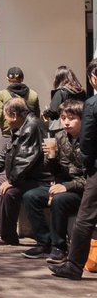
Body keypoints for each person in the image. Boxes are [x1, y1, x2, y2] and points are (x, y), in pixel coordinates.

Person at [20, 99, 85, 262]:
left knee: (59, 200)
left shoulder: (90, 139)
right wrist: (51, 157)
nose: (66, 122)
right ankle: (44, 242)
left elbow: (91, 176)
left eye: (71, 118)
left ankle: (59, 247)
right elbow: (56, 170)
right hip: (65, 184)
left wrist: (67, 186)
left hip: (85, 189)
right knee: (31, 196)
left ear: (83, 119)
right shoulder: (61, 137)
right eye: (63, 118)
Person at [51, 57, 97, 280]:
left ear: (93, 78)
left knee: (85, 218)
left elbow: (87, 142)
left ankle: (74, 266)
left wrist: (88, 165)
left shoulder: (92, 104)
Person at [0, 97, 49, 245]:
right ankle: (1, 225)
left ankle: (8, 235)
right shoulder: (19, 127)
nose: (5, 120)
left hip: (36, 178)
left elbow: (26, 160)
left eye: (6, 116)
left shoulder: (32, 127)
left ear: (14, 115)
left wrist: (11, 181)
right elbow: (5, 153)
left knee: (10, 192)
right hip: (24, 175)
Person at [0, 66, 41, 136]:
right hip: (29, 133)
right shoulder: (33, 94)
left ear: (7, 79)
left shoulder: (2, 95)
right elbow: (36, 115)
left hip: (9, 134)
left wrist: (5, 127)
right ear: (22, 78)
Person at [45, 66, 86, 133]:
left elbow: (53, 111)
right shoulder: (81, 91)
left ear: (58, 78)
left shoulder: (60, 92)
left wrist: (45, 113)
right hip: (79, 125)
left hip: (63, 127)